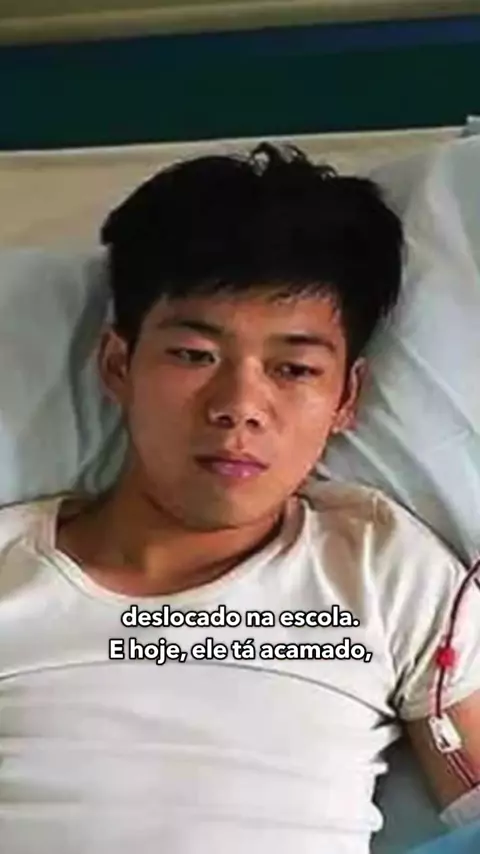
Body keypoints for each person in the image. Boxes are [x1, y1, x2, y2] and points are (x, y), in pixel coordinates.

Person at [0, 143, 479, 854]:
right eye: (194, 356)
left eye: (294, 368)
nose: (239, 407)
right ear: (118, 365)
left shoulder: (382, 570)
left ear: (346, 399)